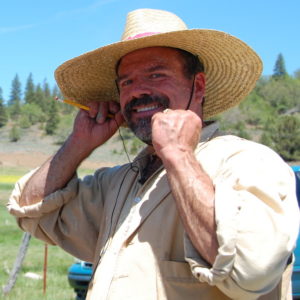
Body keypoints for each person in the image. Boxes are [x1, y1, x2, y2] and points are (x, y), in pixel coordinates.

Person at [7, 8, 299, 300]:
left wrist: (178, 153)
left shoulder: (249, 162)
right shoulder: (119, 183)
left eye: (156, 74)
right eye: (126, 82)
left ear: (198, 86)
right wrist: (79, 143)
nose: (137, 92)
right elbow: (33, 211)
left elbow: (250, 274)